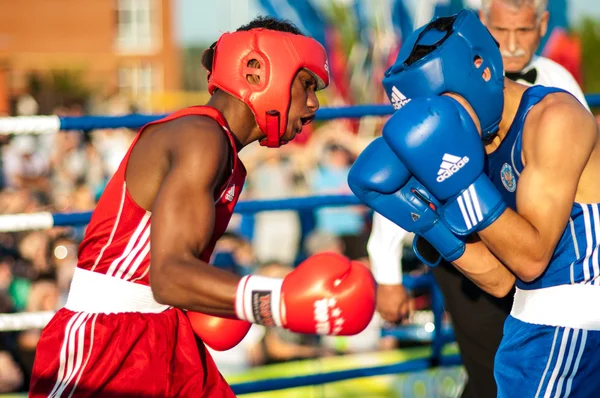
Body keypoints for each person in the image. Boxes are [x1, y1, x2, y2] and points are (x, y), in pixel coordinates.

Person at [29, 16, 376, 397]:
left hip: (165, 331)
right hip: (107, 342)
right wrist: (278, 302)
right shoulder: (201, 137)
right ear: (256, 70)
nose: (313, 104)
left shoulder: (222, 149)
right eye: (306, 84)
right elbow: (170, 276)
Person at [349, 9, 600, 398]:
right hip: (530, 323)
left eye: (437, 107)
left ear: (481, 71)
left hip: (576, 323)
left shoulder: (554, 119)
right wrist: (425, 219)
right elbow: (500, 280)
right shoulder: (467, 143)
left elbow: (532, 260)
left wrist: (459, 183)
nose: (433, 121)